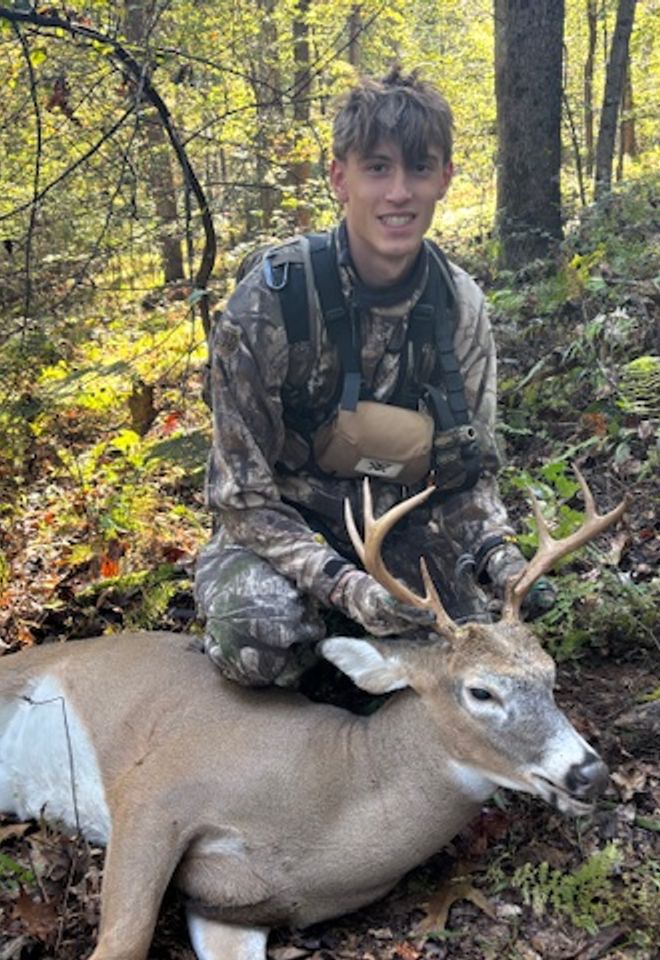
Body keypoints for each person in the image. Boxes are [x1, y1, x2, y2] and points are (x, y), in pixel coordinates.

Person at [194, 66, 554, 688]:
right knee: (260, 637)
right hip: (278, 533)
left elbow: (470, 475)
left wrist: (501, 556)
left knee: (480, 650)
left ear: (444, 178)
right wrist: (345, 587)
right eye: (378, 168)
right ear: (340, 177)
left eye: (419, 169)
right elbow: (241, 499)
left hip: (395, 533)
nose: (399, 193)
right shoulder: (270, 305)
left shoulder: (459, 307)